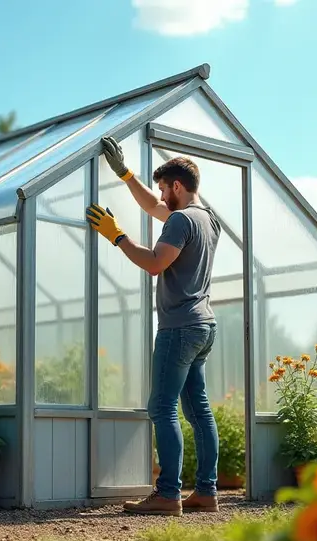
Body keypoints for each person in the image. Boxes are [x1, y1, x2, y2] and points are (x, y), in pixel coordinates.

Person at [85, 136, 222, 516]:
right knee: (200, 413)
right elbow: (152, 207)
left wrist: (116, 235)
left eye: (164, 188)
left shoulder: (180, 220)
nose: (160, 195)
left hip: (178, 327)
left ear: (177, 186)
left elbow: (154, 263)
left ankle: (167, 495)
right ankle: (207, 492)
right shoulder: (207, 219)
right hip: (204, 326)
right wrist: (126, 174)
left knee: (162, 408)